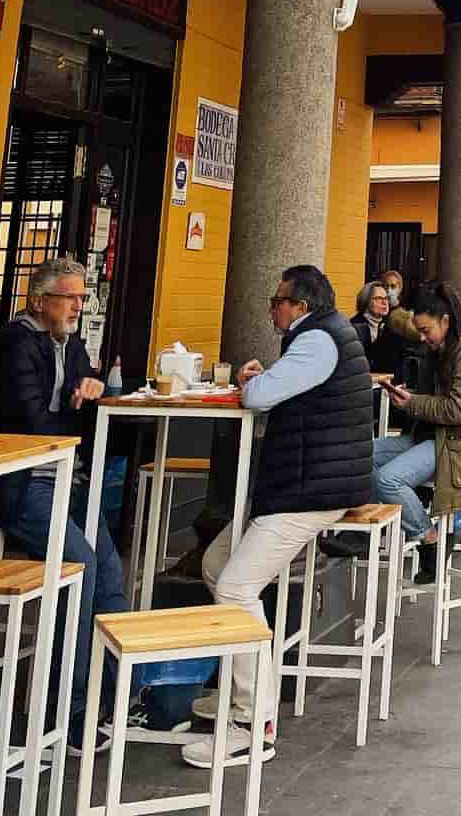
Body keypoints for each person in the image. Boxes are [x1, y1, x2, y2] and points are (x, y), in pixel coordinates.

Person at [183, 264, 373, 768]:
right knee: (217, 566)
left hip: (309, 490)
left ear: (300, 307)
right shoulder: (327, 335)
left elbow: (260, 396)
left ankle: (253, 723)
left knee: (235, 588)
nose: (271, 308)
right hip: (301, 482)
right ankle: (242, 689)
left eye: (277, 300)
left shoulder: (318, 341)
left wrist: (253, 381)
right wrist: (261, 379)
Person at [0, 255, 124, 754]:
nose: (78, 307)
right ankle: (67, 712)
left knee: (110, 572)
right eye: (69, 298)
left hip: (65, 478)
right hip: (19, 482)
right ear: (39, 301)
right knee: (82, 566)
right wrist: (81, 407)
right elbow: (32, 423)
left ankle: (109, 694)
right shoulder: (15, 344)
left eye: (82, 298)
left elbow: (86, 407)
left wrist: (92, 392)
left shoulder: (69, 344)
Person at [371, 282, 461, 574]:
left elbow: (460, 410)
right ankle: (367, 526)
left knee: (388, 480)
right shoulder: (439, 351)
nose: (422, 338)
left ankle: (429, 537)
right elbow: (434, 401)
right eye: (419, 331)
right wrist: (408, 398)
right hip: (434, 435)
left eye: (425, 330)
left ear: (445, 321)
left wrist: (413, 403)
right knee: (359, 454)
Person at [353, 279, 406, 376]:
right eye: (378, 298)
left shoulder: (392, 326)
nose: (384, 302)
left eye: (386, 298)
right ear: (366, 300)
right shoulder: (354, 327)